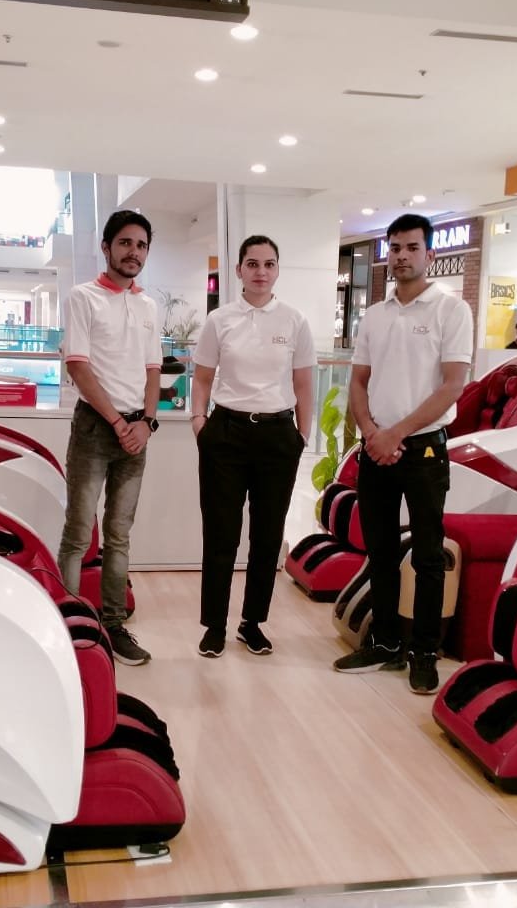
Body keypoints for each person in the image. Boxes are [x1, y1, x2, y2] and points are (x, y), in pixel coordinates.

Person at [333, 213, 473, 695]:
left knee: (429, 556)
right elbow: (358, 380)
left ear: (429, 254)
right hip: (376, 449)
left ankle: (424, 652)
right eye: (394, 248)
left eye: (411, 247)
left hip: (424, 451)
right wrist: (372, 430)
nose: (401, 255)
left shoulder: (450, 312)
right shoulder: (376, 313)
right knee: (382, 551)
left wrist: (397, 433)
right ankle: (387, 642)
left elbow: (454, 385)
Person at [190, 235, 315, 658]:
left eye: (269, 263)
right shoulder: (220, 320)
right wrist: (199, 422)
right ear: (239, 270)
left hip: (278, 437)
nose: (261, 271)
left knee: (267, 536)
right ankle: (215, 625)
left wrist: (303, 433)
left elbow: (303, 383)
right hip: (225, 434)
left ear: (277, 270)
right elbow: (203, 378)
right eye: (252, 263)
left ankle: (252, 623)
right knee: (221, 534)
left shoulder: (294, 321)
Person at [57, 210, 161, 666]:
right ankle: (69, 626)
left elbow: (153, 371)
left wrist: (146, 423)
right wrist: (119, 424)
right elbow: (78, 366)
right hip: (97, 427)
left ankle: (114, 625)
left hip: (136, 432)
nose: (132, 252)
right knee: (80, 533)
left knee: (119, 536)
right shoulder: (83, 298)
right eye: (125, 243)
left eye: (140, 245)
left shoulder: (148, 306)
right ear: (106, 247)